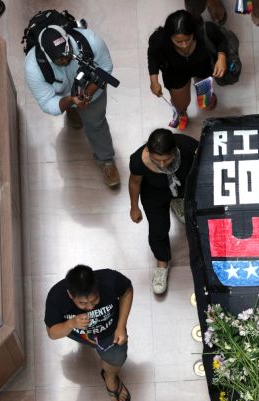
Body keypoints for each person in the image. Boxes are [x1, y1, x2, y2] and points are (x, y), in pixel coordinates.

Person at [24, 24, 121, 188]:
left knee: (96, 124)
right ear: (47, 56)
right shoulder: (33, 67)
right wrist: (71, 100)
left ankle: (105, 160)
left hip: (93, 90)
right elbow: (47, 102)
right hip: (63, 93)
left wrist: (88, 93)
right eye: (59, 60)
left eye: (68, 55)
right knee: (67, 105)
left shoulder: (91, 41)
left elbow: (105, 67)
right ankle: (72, 111)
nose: (65, 60)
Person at [44, 265, 134, 401]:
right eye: (83, 303)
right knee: (85, 344)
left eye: (95, 299)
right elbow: (52, 333)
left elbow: (127, 291)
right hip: (78, 334)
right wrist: (71, 323)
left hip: (109, 333)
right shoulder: (56, 296)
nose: (91, 307)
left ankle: (109, 376)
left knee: (117, 358)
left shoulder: (110, 279)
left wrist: (121, 326)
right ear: (70, 295)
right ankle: (86, 345)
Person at [129, 129, 198, 294]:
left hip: (182, 186)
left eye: (167, 159)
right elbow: (134, 183)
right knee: (158, 230)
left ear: (175, 150)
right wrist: (134, 206)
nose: (162, 165)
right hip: (154, 194)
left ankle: (176, 201)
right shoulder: (138, 160)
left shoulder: (187, 145)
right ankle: (162, 262)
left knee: (186, 198)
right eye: (156, 160)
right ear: (148, 150)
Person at [147, 10, 228, 130]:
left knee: (205, 97)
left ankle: (206, 98)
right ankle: (181, 112)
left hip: (203, 67)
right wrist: (154, 80)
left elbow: (222, 40)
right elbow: (152, 56)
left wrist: (222, 57)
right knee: (180, 104)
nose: (184, 45)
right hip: (175, 73)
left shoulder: (206, 30)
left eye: (188, 39)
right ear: (169, 37)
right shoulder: (159, 40)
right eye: (178, 41)